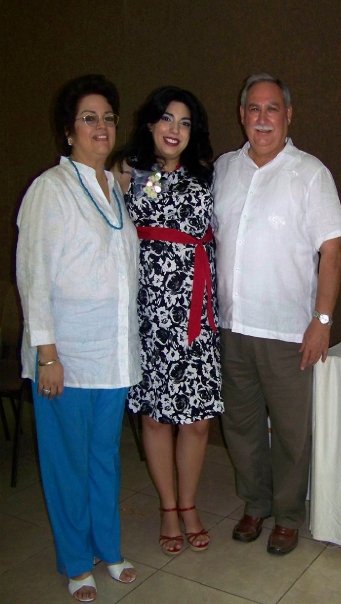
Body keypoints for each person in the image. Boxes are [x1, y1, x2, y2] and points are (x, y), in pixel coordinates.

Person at [213, 73, 341, 555]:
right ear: (242, 115)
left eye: (272, 108)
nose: (262, 118)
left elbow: (333, 251)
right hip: (232, 327)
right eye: (254, 108)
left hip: (288, 331)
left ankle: (288, 515)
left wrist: (323, 321)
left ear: (288, 115)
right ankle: (256, 504)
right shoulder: (224, 169)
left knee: (292, 432)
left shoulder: (310, 173)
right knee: (241, 426)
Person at [16, 74, 141, 602]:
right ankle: (75, 561)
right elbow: (34, 277)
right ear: (68, 131)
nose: (101, 126)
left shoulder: (115, 188)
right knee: (68, 463)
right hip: (65, 356)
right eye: (89, 118)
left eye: (108, 117)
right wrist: (47, 355)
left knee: (104, 458)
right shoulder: (50, 189)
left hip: (113, 354)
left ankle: (107, 548)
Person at [113, 86, 223, 556]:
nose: (175, 129)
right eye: (167, 119)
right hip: (150, 315)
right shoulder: (128, 173)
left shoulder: (209, 175)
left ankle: (190, 503)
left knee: (197, 422)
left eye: (185, 122)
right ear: (150, 124)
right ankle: (168, 508)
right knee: (156, 418)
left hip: (197, 314)